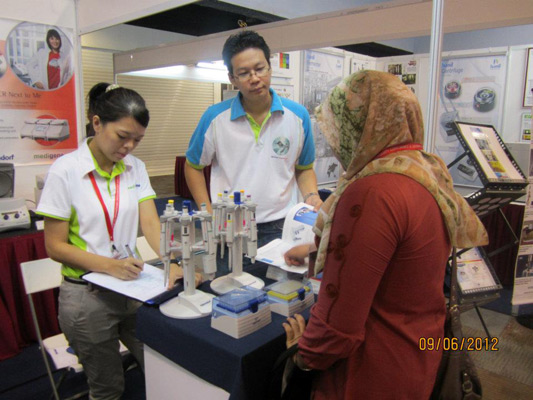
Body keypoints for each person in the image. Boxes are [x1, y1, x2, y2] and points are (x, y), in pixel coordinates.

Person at [282, 70, 488, 399]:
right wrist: (317, 250)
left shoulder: (371, 193)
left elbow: (339, 327)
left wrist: (302, 356)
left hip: (371, 370)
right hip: (417, 352)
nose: (336, 141)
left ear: (360, 127)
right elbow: (400, 261)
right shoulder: (424, 171)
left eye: (339, 127)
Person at [36, 83, 186, 400]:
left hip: (132, 287)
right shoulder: (65, 171)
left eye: (137, 139)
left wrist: (172, 262)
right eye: (122, 136)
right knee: (108, 388)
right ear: (97, 123)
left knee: (163, 366)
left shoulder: (135, 168)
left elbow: (150, 223)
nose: (129, 146)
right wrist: (109, 266)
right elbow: (55, 247)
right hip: (87, 297)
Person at [185, 30, 322, 276]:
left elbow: (304, 168)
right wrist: (207, 213)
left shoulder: (298, 116)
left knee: (281, 292)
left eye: (260, 69)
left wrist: (311, 196)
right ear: (232, 78)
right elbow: (193, 166)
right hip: (230, 228)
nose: (255, 78)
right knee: (230, 292)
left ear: (270, 67)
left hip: (281, 227)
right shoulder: (215, 117)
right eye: (244, 73)